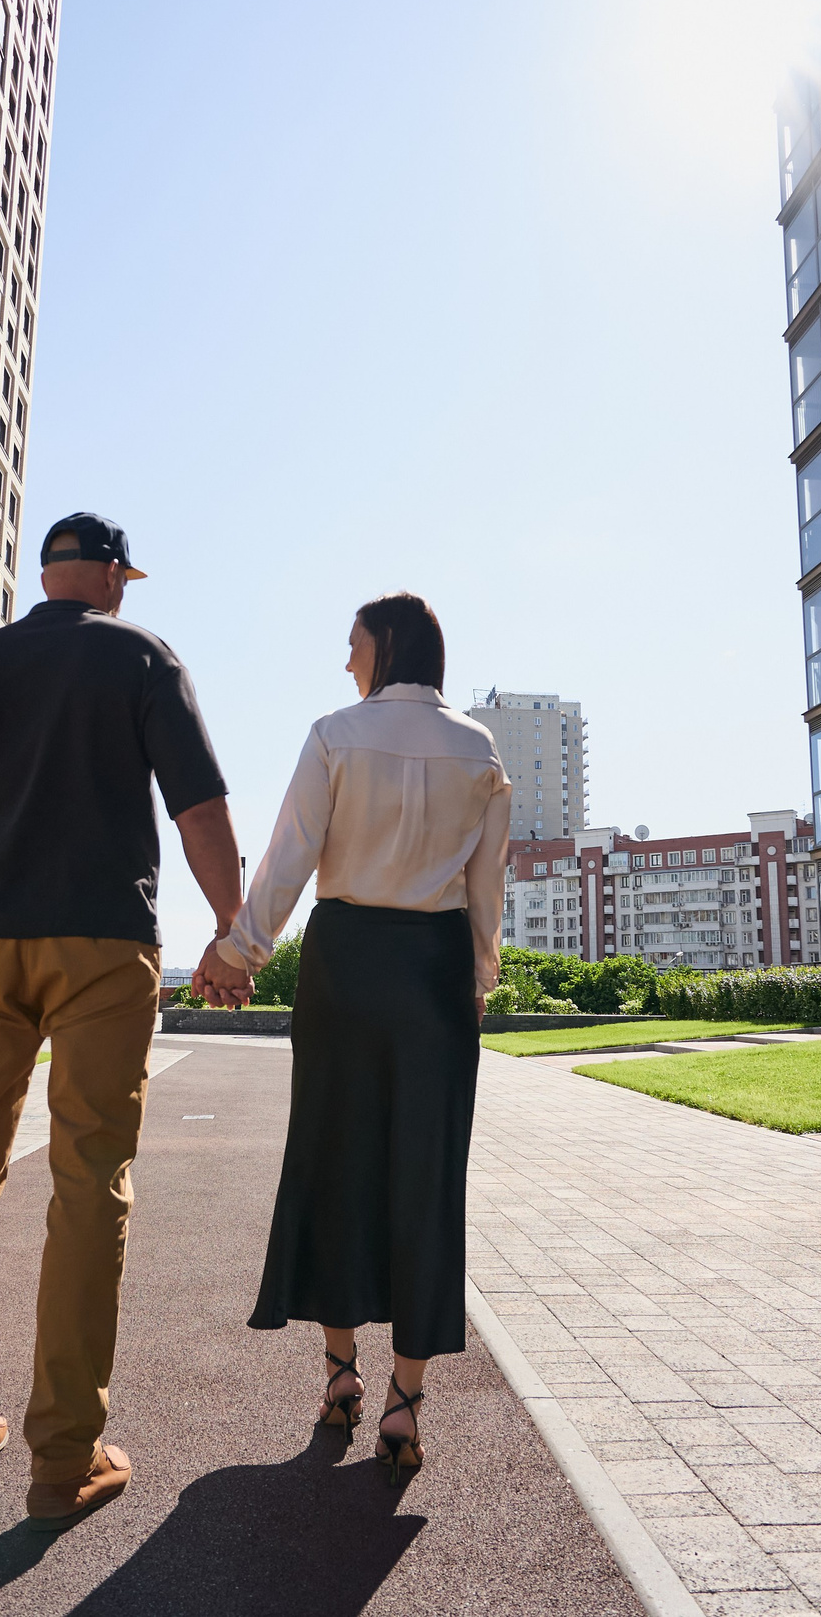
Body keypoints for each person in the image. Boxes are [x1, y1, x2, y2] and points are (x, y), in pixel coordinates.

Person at [0, 511, 244, 1530]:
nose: (125, 591)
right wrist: (231, 928)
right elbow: (199, 809)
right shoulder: (141, 655)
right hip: (100, 943)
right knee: (91, 1180)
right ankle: (63, 1461)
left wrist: (4, 879)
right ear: (102, 574)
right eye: (122, 576)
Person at [196, 592, 510, 1484]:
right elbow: (486, 890)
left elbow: (290, 854)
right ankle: (405, 1405)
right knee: (427, 1173)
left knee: (333, 1159)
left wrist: (240, 951)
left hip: (345, 966)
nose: (345, 661)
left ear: (387, 645)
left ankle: (341, 1377)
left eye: (353, 644)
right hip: (436, 973)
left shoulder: (335, 733)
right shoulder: (481, 750)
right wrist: (476, 981)